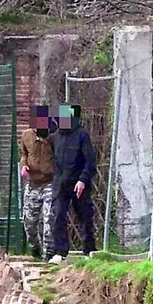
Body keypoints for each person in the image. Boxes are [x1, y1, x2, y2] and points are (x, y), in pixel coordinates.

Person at [48, 104, 97, 264]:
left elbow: (90, 161)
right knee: (58, 216)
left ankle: (89, 251)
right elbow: (53, 160)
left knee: (85, 217)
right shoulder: (55, 137)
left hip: (79, 184)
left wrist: (82, 180)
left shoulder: (82, 135)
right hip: (61, 184)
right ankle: (60, 252)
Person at [19, 104, 56, 260]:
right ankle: (35, 247)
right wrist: (24, 165)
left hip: (49, 182)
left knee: (49, 219)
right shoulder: (26, 136)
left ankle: (49, 252)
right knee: (29, 221)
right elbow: (24, 154)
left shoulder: (53, 136)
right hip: (33, 183)